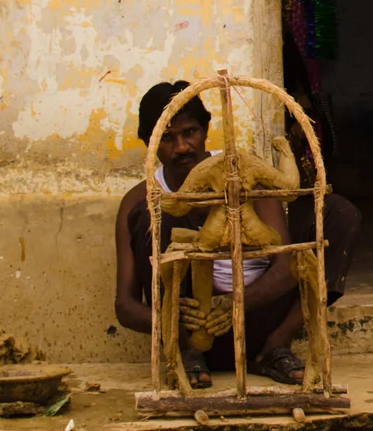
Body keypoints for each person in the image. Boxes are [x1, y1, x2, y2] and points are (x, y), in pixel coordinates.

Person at [114, 80, 360, 386]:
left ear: (205, 129)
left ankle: (277, 346)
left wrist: (233, 303)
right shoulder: (139, 198)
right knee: (152, 213)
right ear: (149, 143)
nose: (181, 147)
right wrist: (173, 321)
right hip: (193, 331)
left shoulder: (242, 172)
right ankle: (185, 355)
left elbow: (284, 267)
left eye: (189, 132)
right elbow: (124, 306)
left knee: (339, 214)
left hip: (259, 321)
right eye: (166, 138)